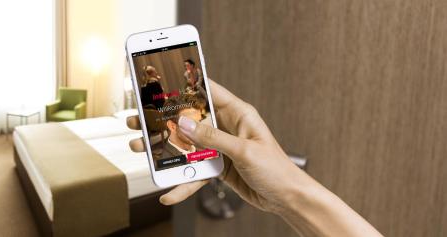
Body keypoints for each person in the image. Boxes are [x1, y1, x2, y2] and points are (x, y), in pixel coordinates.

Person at [127, 79, 383, 237]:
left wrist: (290, 195)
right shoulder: (165, 152)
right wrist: (289, 198)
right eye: (186, 123)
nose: (195, 129)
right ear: (172, 127)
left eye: (198, 121)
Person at [161, 95, 204, 160]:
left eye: (199, 122)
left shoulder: (204, 147)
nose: (198, 130)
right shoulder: (167, 165)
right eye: (190, 124)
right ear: (172, 127)